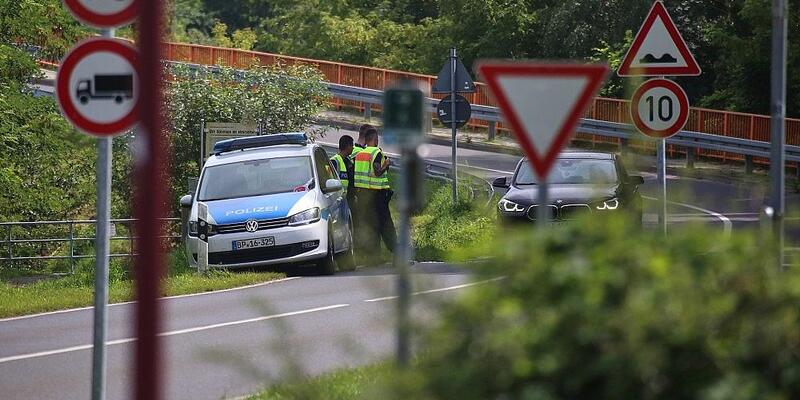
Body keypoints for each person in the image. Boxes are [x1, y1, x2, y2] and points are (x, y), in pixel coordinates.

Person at [353, 128, 396, 258]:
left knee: (371, 227)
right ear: (375, 139)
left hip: (363, 197)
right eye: (377, 139)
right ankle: (399, 255)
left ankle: (373, 258)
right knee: (387, 226)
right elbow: (377, 172)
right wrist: (386, 164)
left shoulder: (359, 154)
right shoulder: (376, 153)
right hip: (378, 196)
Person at [330, 135, 355, 204]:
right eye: (352, 146)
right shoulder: (334, 161)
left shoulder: (349, 161)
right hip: (338, 199)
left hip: (347, 198)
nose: (353, 148)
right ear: (348, 146)